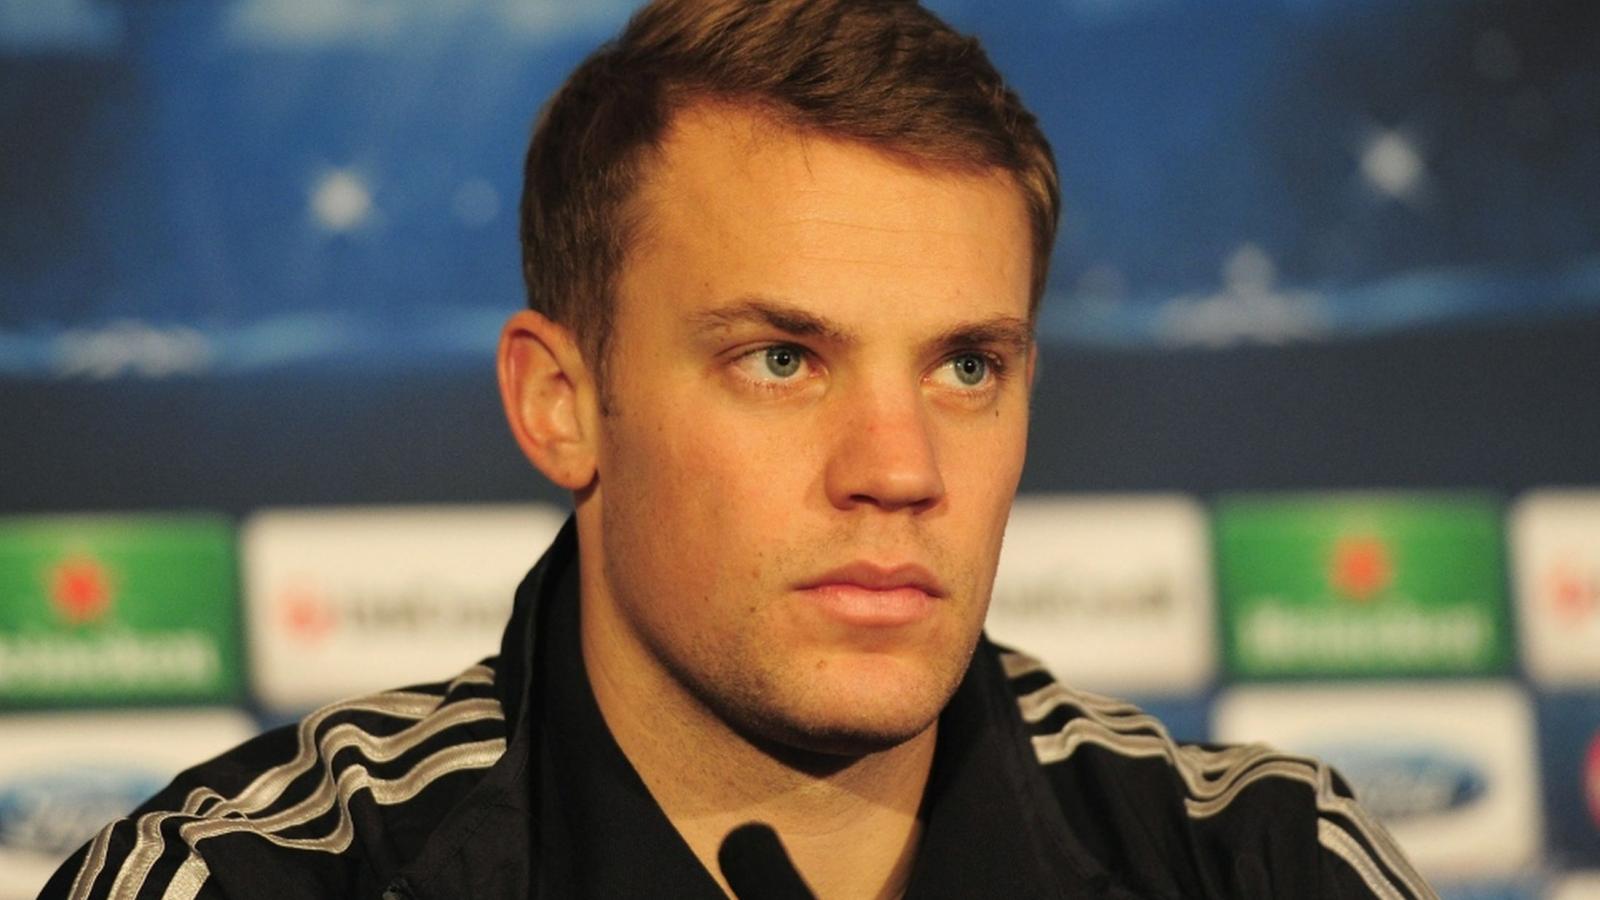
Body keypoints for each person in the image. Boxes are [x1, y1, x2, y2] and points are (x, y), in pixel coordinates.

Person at [45, 1, 1430, 898]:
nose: (899, 469)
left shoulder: (1266, 865)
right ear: (560, 403)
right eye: (782, 359)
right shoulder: (236, 881)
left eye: (966, 366)